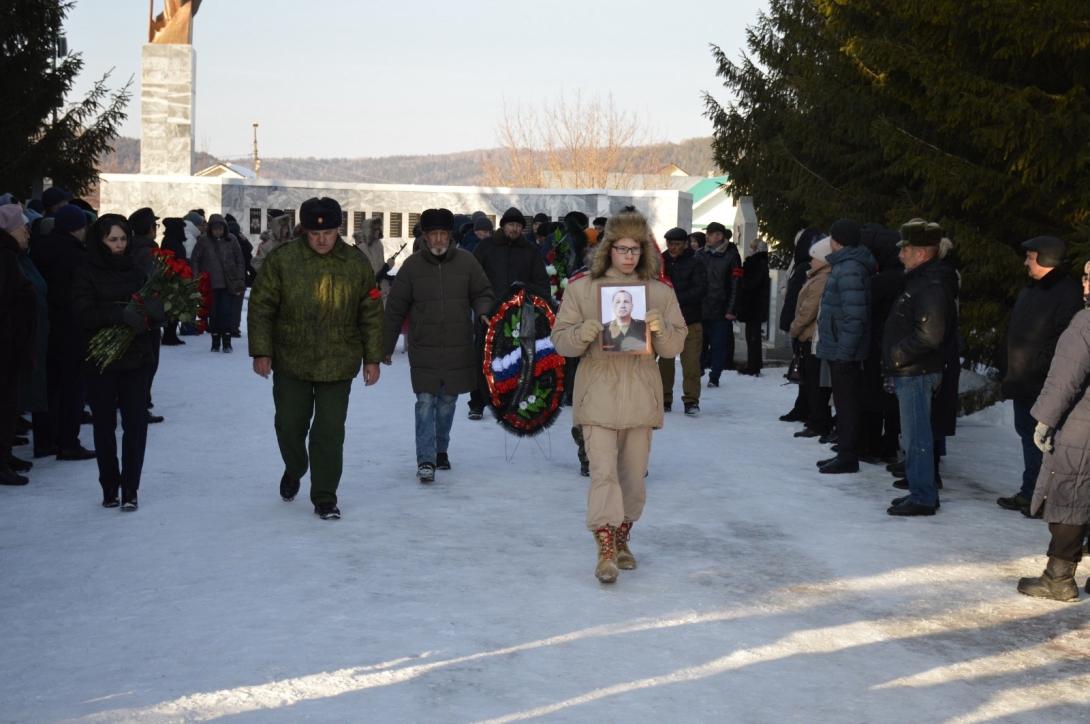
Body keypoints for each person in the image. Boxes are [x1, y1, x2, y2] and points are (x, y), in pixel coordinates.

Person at [551, 206, 687, 584]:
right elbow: (561, 341)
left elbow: (677, 345)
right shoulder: (582, 289)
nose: (628, 256)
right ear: (607, 249)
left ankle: (623, 536)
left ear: (644, 251)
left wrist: (660, 331)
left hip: (641, 399)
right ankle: (605, 546)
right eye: (621, 249)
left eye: (635, 250)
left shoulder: (658, 292)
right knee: (603, 475)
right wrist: (583, 333)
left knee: (633, 478)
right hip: (597, 397)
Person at [248, 197, 383, 520]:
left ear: (338, 230)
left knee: (330, 431)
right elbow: (262, 306)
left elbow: (371, 312)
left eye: (329, 232)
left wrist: (373, 357)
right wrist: (262, 351)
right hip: (292, 358)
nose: (322, 239)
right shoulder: (284, 260)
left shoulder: (355, 263)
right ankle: (295, 467)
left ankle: (324, 495)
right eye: (314, 233)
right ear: (304, 231)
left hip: (338, 360)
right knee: (289, 425)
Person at [382, 208, 494, 482]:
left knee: (447, 402)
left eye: (443, 234)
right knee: (425, 401)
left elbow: (483, 292)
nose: (439, 240)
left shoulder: (467, 263)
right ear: (426, 237)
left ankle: (440, 449)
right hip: (424, 346)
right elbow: (395, 308)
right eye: (434, 235)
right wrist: (384, 346)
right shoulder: (412, 267)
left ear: (450, 236)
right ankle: (426, 459)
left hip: (458, 345)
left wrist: (482, 310)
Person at [72, 215, 165, 510]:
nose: (119, 245)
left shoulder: (136, 270)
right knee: (104, 425)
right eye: (113, 240)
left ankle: (130, 488)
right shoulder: (86, 272)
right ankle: (109, 486)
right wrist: (119, 315)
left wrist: (153, 313)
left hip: (136, 358)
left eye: (123, 239)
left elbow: (151, 307)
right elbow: (82, 313)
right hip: (101, 360)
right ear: (100, 241)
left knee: (136, 424)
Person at [1017, 260, 1090, 601]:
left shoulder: (1086, 322)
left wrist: (1044, 419)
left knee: (1070, 495)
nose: (1085, 285)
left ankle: (1059, 578)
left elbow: (1066, 378)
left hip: (1082, 426)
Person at [997, 235, 1083, 515]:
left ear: (1047, 259)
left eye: (1030, 257)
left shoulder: (1067, 293)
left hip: (1043, 382)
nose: (1025, 262)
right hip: (1023, 380)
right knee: (1027, 437)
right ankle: (1030, 491)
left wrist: (1038, 368)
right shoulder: (1030, 290)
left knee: (1044, 441)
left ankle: (1042, 496)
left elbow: (1063, 340)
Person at [882, 220, 953, 516]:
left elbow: (929, 335)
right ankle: (919, 489)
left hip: (916, 371)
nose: (900, 255)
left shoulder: (931, 285)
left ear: (922, 253)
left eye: (906, 249)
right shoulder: (920, 280)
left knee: (917, 436)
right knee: (913, 435)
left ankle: (923, 496)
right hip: (912, 370)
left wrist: (897, 355)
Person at [467, 206, 549, 419]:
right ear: (503, 226)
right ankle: (477, 402)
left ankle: (512, 400)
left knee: (518, 359)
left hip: (521, 314)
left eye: (518, 226)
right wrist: (479, 304)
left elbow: (541, 281)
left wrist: (536, 303)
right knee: (483, 358)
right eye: (511, 225)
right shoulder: (486, 247)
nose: (514, 229)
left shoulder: (530, 251)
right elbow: (471, 277)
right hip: (489, 312)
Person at [28, 203, 95, 461]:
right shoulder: (77, 255)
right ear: (77, 228)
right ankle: (68, 441)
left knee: (48, 386)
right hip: (71, 329)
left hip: (46, 328)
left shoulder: (39, 249)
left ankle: (44, 441)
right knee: (72, 387)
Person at [815, 219, 876, 474]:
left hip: (844, 350)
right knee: (842, 402)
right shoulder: (844, 265)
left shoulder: (849, 267)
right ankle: (844, 450)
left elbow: (855, 315)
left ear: (837, 240)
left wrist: (844, 352)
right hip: (839, 346)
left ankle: (848, 455)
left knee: (847, 402)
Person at [0, 204, 37, 486]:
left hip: (13, 342)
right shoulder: (5, 257)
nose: (27, 232)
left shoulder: (13, 255)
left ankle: (5, 454)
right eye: (22, 227)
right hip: (7, 343)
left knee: (10, 402)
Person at [658, 227, 707, 415]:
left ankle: (691, 400)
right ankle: (664, 398)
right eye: (669, 244)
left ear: (685, 244)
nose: (672, 248)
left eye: (676, 244)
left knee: (691, 364)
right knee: (665, 362)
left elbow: (701, 289)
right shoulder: (661, 260)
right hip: (666, 322)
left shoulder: (696, 261)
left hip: (690, 320)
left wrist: (674, 298)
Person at [789, 237, 833, 439]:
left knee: (815, 384)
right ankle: (816, 419)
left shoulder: (821, 279)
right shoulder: (816, 276)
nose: (811, 261)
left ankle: (818, 421)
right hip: (809, 335)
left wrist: (795, 329)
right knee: (812, 382)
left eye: (814, 258)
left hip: (812, 336)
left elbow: (809, 309)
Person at [778, 227, 822, 421]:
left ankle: (811, 412)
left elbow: (804, 302)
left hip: (804, 327)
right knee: (803, 370)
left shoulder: (808, 267)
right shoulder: (801, 265)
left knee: (809, 373)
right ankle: (803, 407)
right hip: (798, 323)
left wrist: (793, 324)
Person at [190, 214, 245, 353]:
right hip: (210, 283)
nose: (218, 232)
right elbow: (195, 259)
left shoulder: (231, 240)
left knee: (226, 312)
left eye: (220, 229)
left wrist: (239, 277)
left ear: (224, 228)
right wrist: (197, 277)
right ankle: (215, 341)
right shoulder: (203, 241)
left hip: (228, 283)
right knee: (214, 314)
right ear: (210, 229)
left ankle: (227, 342)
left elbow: (240, 259)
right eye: (215, 229)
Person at [698, 221, 740, 386]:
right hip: (701, 307)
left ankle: (715, 376)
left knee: (718, 345)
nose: (708, 237)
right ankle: (698, 368)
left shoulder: (731, 256)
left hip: (721, 309)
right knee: (699, 343)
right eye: (707, 233)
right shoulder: (700, 254)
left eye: (712, 234)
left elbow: (736, 284)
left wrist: (731, 309)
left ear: (720, 236)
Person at [737, 238, 770, 375]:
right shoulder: (761, 262)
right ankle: (755, 363)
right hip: (756, 304)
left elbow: (751, 283)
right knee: (752, 336)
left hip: (753, 304)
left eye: (752, 247)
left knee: (752, 336)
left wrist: (742, 281)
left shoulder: (755, 263)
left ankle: (753, 365)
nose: (750, 249)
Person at [159, 217, 188, 345]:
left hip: (176, 276)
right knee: (172, 308)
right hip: (173, 277)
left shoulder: (172, 240)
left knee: (174, 307)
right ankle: (169, 335)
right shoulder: (171, 241)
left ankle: (170, 334)